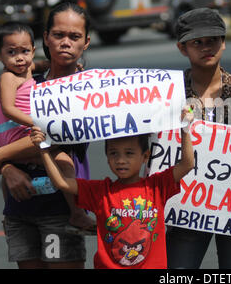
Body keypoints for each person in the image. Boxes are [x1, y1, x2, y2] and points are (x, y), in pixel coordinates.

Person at [0, 2, 94, 269]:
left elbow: (56, 137)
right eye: (58, 35)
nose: (65, 43)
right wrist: (8, 168)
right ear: (45, 38)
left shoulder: (90, 89)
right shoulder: (28, 81)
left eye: (74, 36)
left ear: (86, 42)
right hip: (21, 208)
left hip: (59, 210)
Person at [166, 7, 231, 269]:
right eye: (197, 42)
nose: (206, 47)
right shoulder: (172, 92)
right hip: (185, 206)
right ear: (183, 48)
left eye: (212, 40)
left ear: (223, 43)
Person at [29, 106, 195, 269]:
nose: (121, 160)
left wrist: (185, 127)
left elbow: (187, 164)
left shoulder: (157, 186)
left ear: (145, 156)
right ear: (107, 157)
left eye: (129, 153)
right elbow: (62, 182)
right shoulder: (101, 191)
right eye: (114, 153)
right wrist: (43, 148)